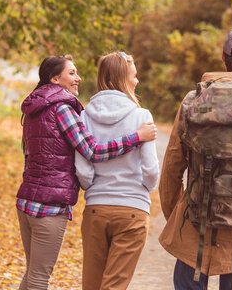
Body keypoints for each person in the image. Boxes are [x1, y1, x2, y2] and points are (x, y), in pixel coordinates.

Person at [16, 55, 157, 290]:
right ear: (55, 78)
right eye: (71, 73)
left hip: (27, 200)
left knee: (32, 275)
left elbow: (30, 156)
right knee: (39, 278)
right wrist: (136, 138)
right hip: (49, 205)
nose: (78, 78)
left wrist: (92, 187)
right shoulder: (63, 108)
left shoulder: (34, 108)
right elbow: (91, 151)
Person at [158, 27, 232, 290]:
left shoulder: (193, 100)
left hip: (194, 221)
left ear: (223, 59)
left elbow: (172, 166)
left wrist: (176, 215)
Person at [75, 51, 159, 290]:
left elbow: (83, 169)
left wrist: (94, 188)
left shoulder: (84, 116)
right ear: (123, 79)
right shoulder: (141, 116)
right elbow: (151, 168)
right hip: (132, 209)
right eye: (134, 76)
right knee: (114, 285)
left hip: (96, 210)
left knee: (91, 285)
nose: (137, 81)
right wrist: (143, 189)